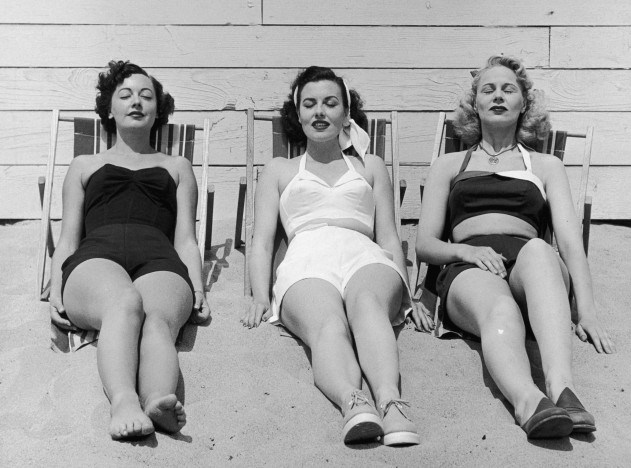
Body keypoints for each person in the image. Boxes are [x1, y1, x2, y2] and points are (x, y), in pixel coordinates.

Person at [414, 55, 616, 438]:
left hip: (530, 269)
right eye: (487, 89)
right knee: (500, 308)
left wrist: (586, 312)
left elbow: (570, 244)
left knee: (541, 250)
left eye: (509, 89)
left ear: (524, 103)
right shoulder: (449, 164)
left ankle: (562, 389)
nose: (498, 96)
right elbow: (425, 244)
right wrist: (465, 252)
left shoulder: (544, 166)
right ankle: (529, 402)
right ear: (475, 103)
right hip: (470, 267)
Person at [242, 66, 419, 446]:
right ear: (298, 113)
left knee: (369, 306)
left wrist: (410, 292)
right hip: (306, 257)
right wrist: (259, 295)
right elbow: (261, 240)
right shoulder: (279, 170)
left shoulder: (369, 166)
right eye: (310, 104)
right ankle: (353, 402)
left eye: (330, 103)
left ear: (345, 112)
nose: (319, 112)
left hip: (364, 254)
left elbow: (388, 233)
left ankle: (390, 401)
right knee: (327, 325)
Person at [48, 60, 210, 440]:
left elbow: (186, 238)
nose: (136, 102)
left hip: (159, 258)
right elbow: (67, 238)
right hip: (95, 257)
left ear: (158, 110)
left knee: (156, 320)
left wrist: (198, 287)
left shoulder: (177, 165)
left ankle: (158, 399)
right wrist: (56, 286)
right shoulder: (85, 164)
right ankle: (123, 400)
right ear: (110, 109)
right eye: (125, 95)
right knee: (123, 302)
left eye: (146, 96)